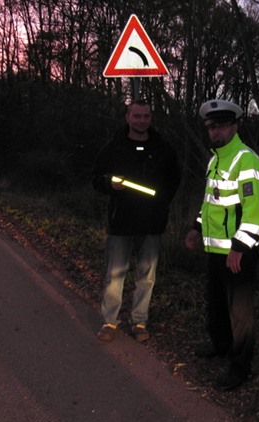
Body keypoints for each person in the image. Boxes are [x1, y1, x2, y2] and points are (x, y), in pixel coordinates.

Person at [184, 99, 259, 391]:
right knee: (217, 303)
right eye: (211, 128)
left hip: (238, 253)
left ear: (235, 126)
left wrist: (240, 248)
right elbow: (211, 203)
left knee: (240, 313)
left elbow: (255, 212)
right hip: (216, 250)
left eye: (221, 126)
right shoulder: (215, 159)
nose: (216, 132)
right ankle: (221, 347)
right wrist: (196, 228)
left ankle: (240, 368)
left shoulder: (247, 159)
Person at [91, 99, 180, 342]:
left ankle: (139, 322)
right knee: (114, 276)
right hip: (121, 223)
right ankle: (110, 322)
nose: (142, 120)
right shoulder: (113, 147)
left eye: (146, 116)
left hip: (152, 224)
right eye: (137, 116)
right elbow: (96, 178)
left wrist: (161, 202)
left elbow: (174, 180)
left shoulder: (163, 149)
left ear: (151, 118)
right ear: (127, 117)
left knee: (147, 277)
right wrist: (110, 183)